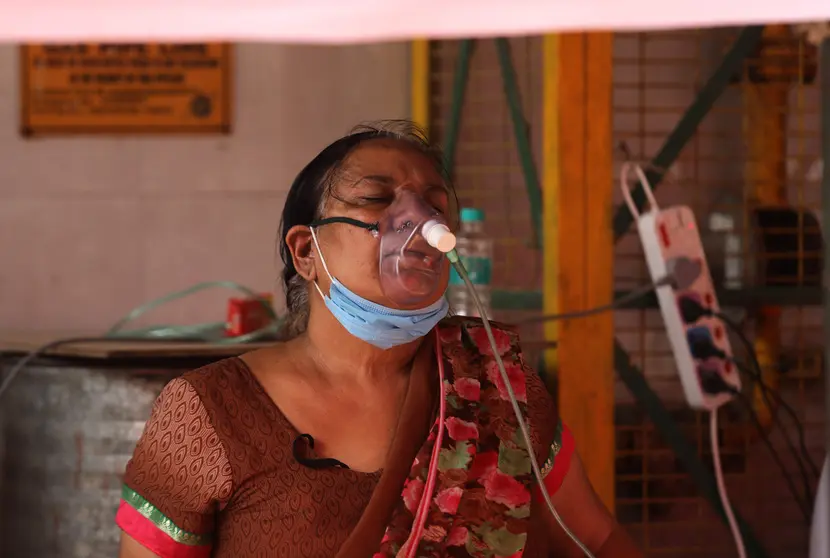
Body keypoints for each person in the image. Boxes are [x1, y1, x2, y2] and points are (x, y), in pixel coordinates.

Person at [116, 121, 643, 558]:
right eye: (376, 199)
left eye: (434, 206)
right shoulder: (210, 412)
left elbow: (595, 540)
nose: (418, 222)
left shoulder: (496, 386)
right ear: (306, 252)